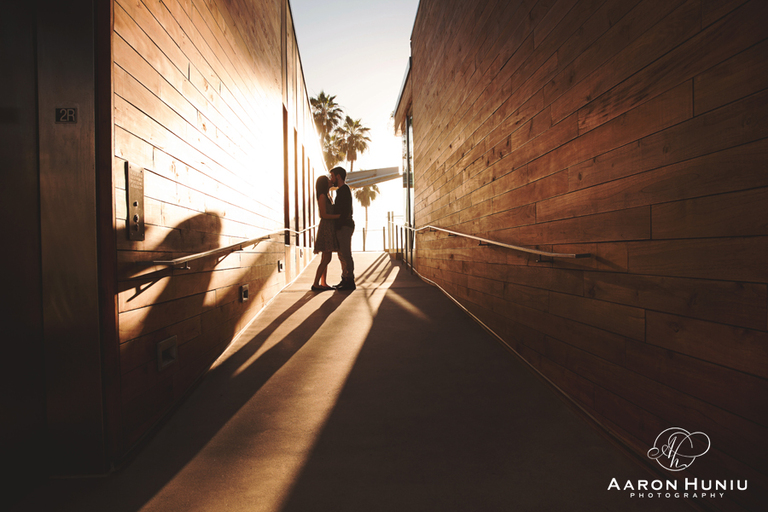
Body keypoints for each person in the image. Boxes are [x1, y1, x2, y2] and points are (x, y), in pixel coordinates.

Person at [312, 175, 340, 291]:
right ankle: (316, 283)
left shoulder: (327, 195)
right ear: (324, 183)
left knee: (325, 258)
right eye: (328, 180)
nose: (330, 181)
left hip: (329, 227)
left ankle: (323, 282)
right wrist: (338, 216)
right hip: (326, 227)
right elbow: (323, 214)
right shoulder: (323, 196)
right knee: (327, 258)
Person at [329, 166, 355, 290]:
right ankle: (345, 278)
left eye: (332, 176)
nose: (331, 179)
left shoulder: (344, 190)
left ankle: (350, 281)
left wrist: (333, 216)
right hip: (342, 226)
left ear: (338, 176)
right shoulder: (341, 190)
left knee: (345, 253)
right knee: (341, 254)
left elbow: (345, 211)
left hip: (345, 226)